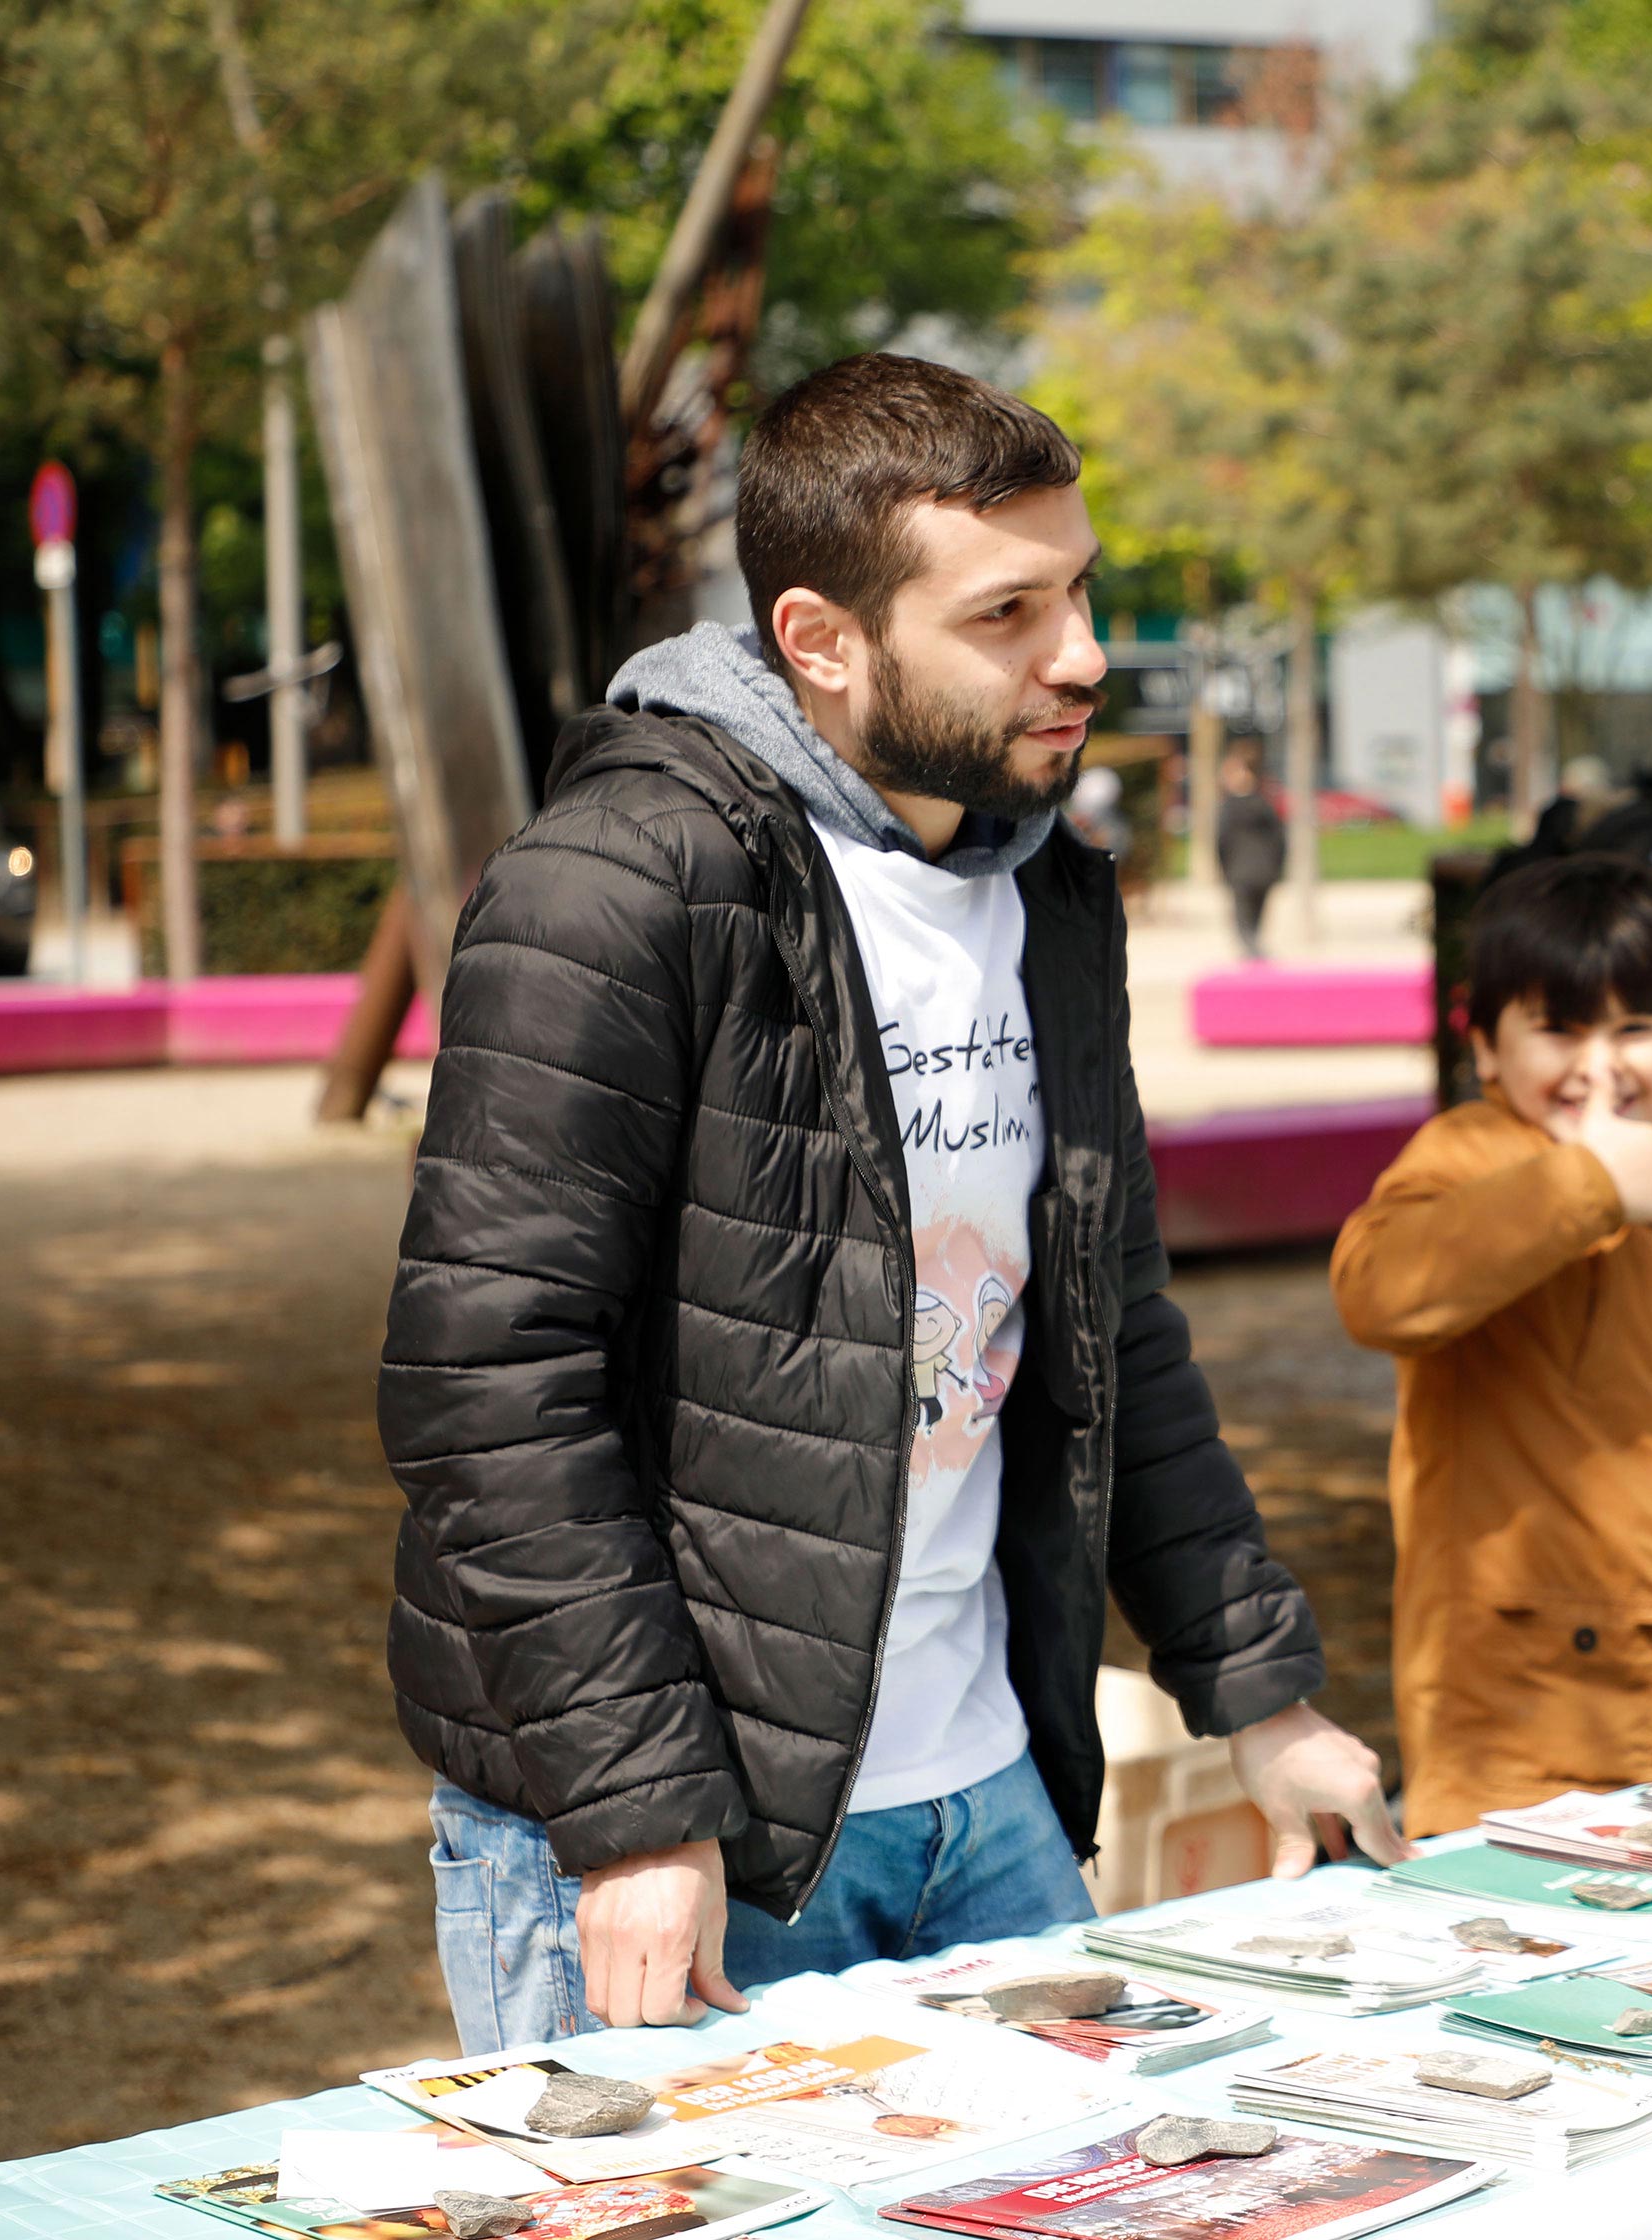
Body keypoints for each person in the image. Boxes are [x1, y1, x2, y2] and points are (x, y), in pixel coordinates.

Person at [381, 354, 1404, 2053]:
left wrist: (1258, 1695)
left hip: (990, 1795)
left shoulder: (1050, 888)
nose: (1080, 654)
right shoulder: (617, 887)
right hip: (689, 1835)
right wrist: (637, 1809)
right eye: (1007, 611)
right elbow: (490, 1386)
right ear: (823, 642)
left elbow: (1112, 1328)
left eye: (1080, 591)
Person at [1330, 854, 1652, 1833]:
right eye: (1559, 1029)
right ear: (1486, 1049)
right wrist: (1590, 1186)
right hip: (1515, 1741)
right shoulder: (1472, 1154)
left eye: (1635, 1028)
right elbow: (1376, 1286)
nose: (1600, 1065)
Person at [1213, 742, 1285, 956]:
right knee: (1255, 921)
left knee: (1244, 923)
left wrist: (1223, 869)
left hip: (1239, 871)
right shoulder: (1265, 803)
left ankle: (1254, 956)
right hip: (1265, 870)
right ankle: (1256, 953)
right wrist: (1277, 866)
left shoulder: (1230, 806)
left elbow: (1221, 841)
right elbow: (1280, 839)